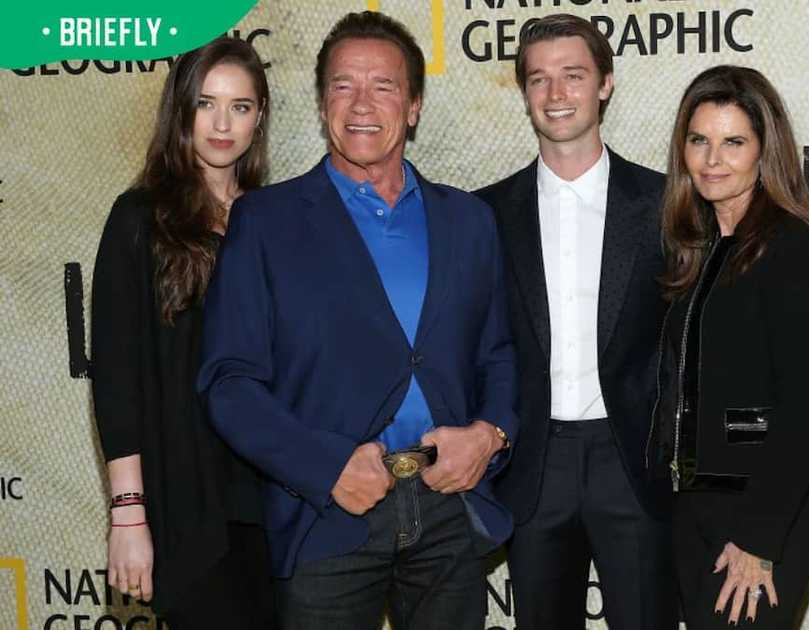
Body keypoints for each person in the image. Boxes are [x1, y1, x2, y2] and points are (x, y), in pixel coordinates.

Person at [196, 11, 518, 630]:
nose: (362, 104)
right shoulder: (266, 223)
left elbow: (498, 352)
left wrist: (491, 435)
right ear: (322, 105)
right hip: (328, 517)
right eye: (343, 86)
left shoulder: (469, 221)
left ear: (415, 106)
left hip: (449, 513)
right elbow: (229, 382)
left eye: (385, 86)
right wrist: (326, 468)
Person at [474, 13, 677, 630]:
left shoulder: (665, 204)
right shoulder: (485, 214)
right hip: (533, 464)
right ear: (525, 93)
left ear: (606, 83)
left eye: (573, 76)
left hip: (632, 461)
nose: (556, 95)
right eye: (539, 79)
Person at [90, 37, 276, 628]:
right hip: (187, 505)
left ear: (259, 118)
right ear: (181, 111)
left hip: (276, 502)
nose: (222, 123)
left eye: (240, 106)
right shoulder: (140, 217)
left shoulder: (276, 218)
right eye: (206, 103)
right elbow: (118, 376)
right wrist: (127, 515)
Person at [646, 65, 809, 629]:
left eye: (733, 142)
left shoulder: (794, 246)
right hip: (698, 502)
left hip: (763, 510)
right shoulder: (699, 245)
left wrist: (759, 536)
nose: (712, 160)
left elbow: (805, 408)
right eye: (699, 141)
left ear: (764, 150)